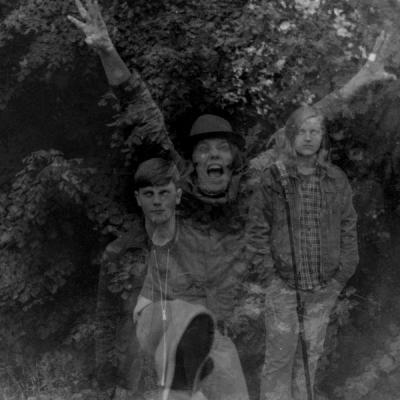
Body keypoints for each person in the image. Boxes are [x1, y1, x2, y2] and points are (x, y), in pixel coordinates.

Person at [67, 0, 395, 396]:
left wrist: (361, 79)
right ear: (193, 161)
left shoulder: (251, 182)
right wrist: (106, 49)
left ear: (234, 158)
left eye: (222, 148)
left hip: (212, 332)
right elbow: (138, 106)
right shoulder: (176, 186)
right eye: (204, 150)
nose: (213, 156)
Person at [246, 105, 359, 400]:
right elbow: (256, 234)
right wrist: (272, 281)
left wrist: (340, 278)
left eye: (315, 131)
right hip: (284, 287)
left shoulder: (336, 179)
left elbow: (348, 228)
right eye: (302, 132)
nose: (308, 138)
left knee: (309, 360)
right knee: (278, 360)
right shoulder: (273, 179)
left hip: (322, 288)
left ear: (322, 137)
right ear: (291, 136)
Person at [133, 156, 249, 400]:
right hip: (166, 331)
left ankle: (189, 383)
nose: (157, 201)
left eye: (164, 193)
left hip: (207, 333)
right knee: (159, 314)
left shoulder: (198, 241)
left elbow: (222, 294)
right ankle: (183, 381)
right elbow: (143, 307)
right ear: (138, 198)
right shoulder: (136, 245)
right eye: (149, 194)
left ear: (177, 196)